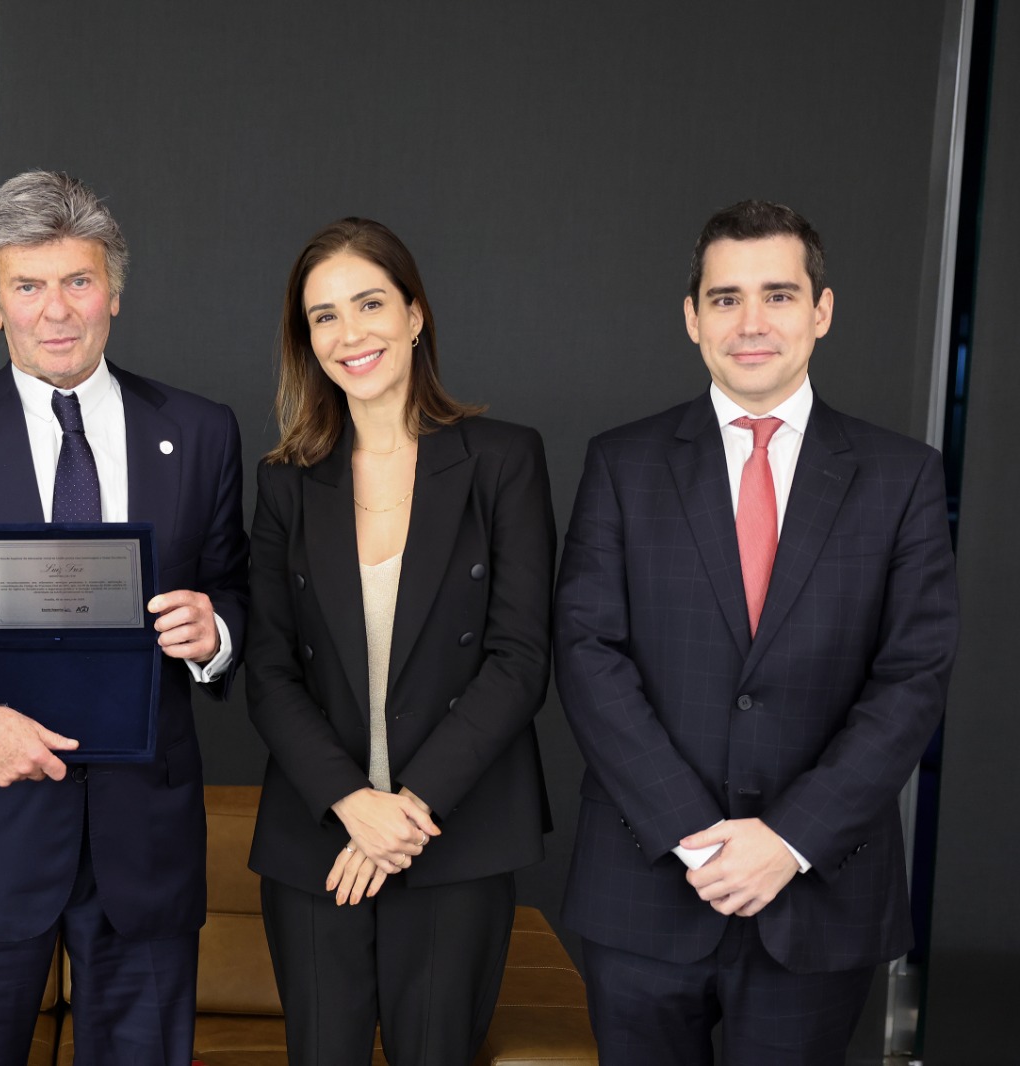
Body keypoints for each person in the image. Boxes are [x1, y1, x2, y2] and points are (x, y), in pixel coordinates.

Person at [0, 170, 249, 1066]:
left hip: (143, 847)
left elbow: (237, 590)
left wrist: (216, 637)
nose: (55, 311)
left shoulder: (202, 431)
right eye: (27, 286)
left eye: (78, 281)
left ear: (113, 292)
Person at [555, 200, 959, 1064]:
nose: (751, 323)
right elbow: (588, 653)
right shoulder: (620, 464)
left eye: (778, 295)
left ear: (821, 310)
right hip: (646, 887)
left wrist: (789, 839)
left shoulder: (902, 477)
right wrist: (696, 837)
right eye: (725, 297)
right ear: (692, 316)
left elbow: (914, 676)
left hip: (821, 893)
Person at [245, 217, 555, 1064]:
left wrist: (407, 814)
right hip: (321, 840)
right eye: (324, 316)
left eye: (370, 303)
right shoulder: (285, 484)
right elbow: (269, 671)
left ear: (416, 314)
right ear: (306, 341)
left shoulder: (504, 461)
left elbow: (520, 659)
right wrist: (354, 804)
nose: (351, 334)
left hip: (457, 833)